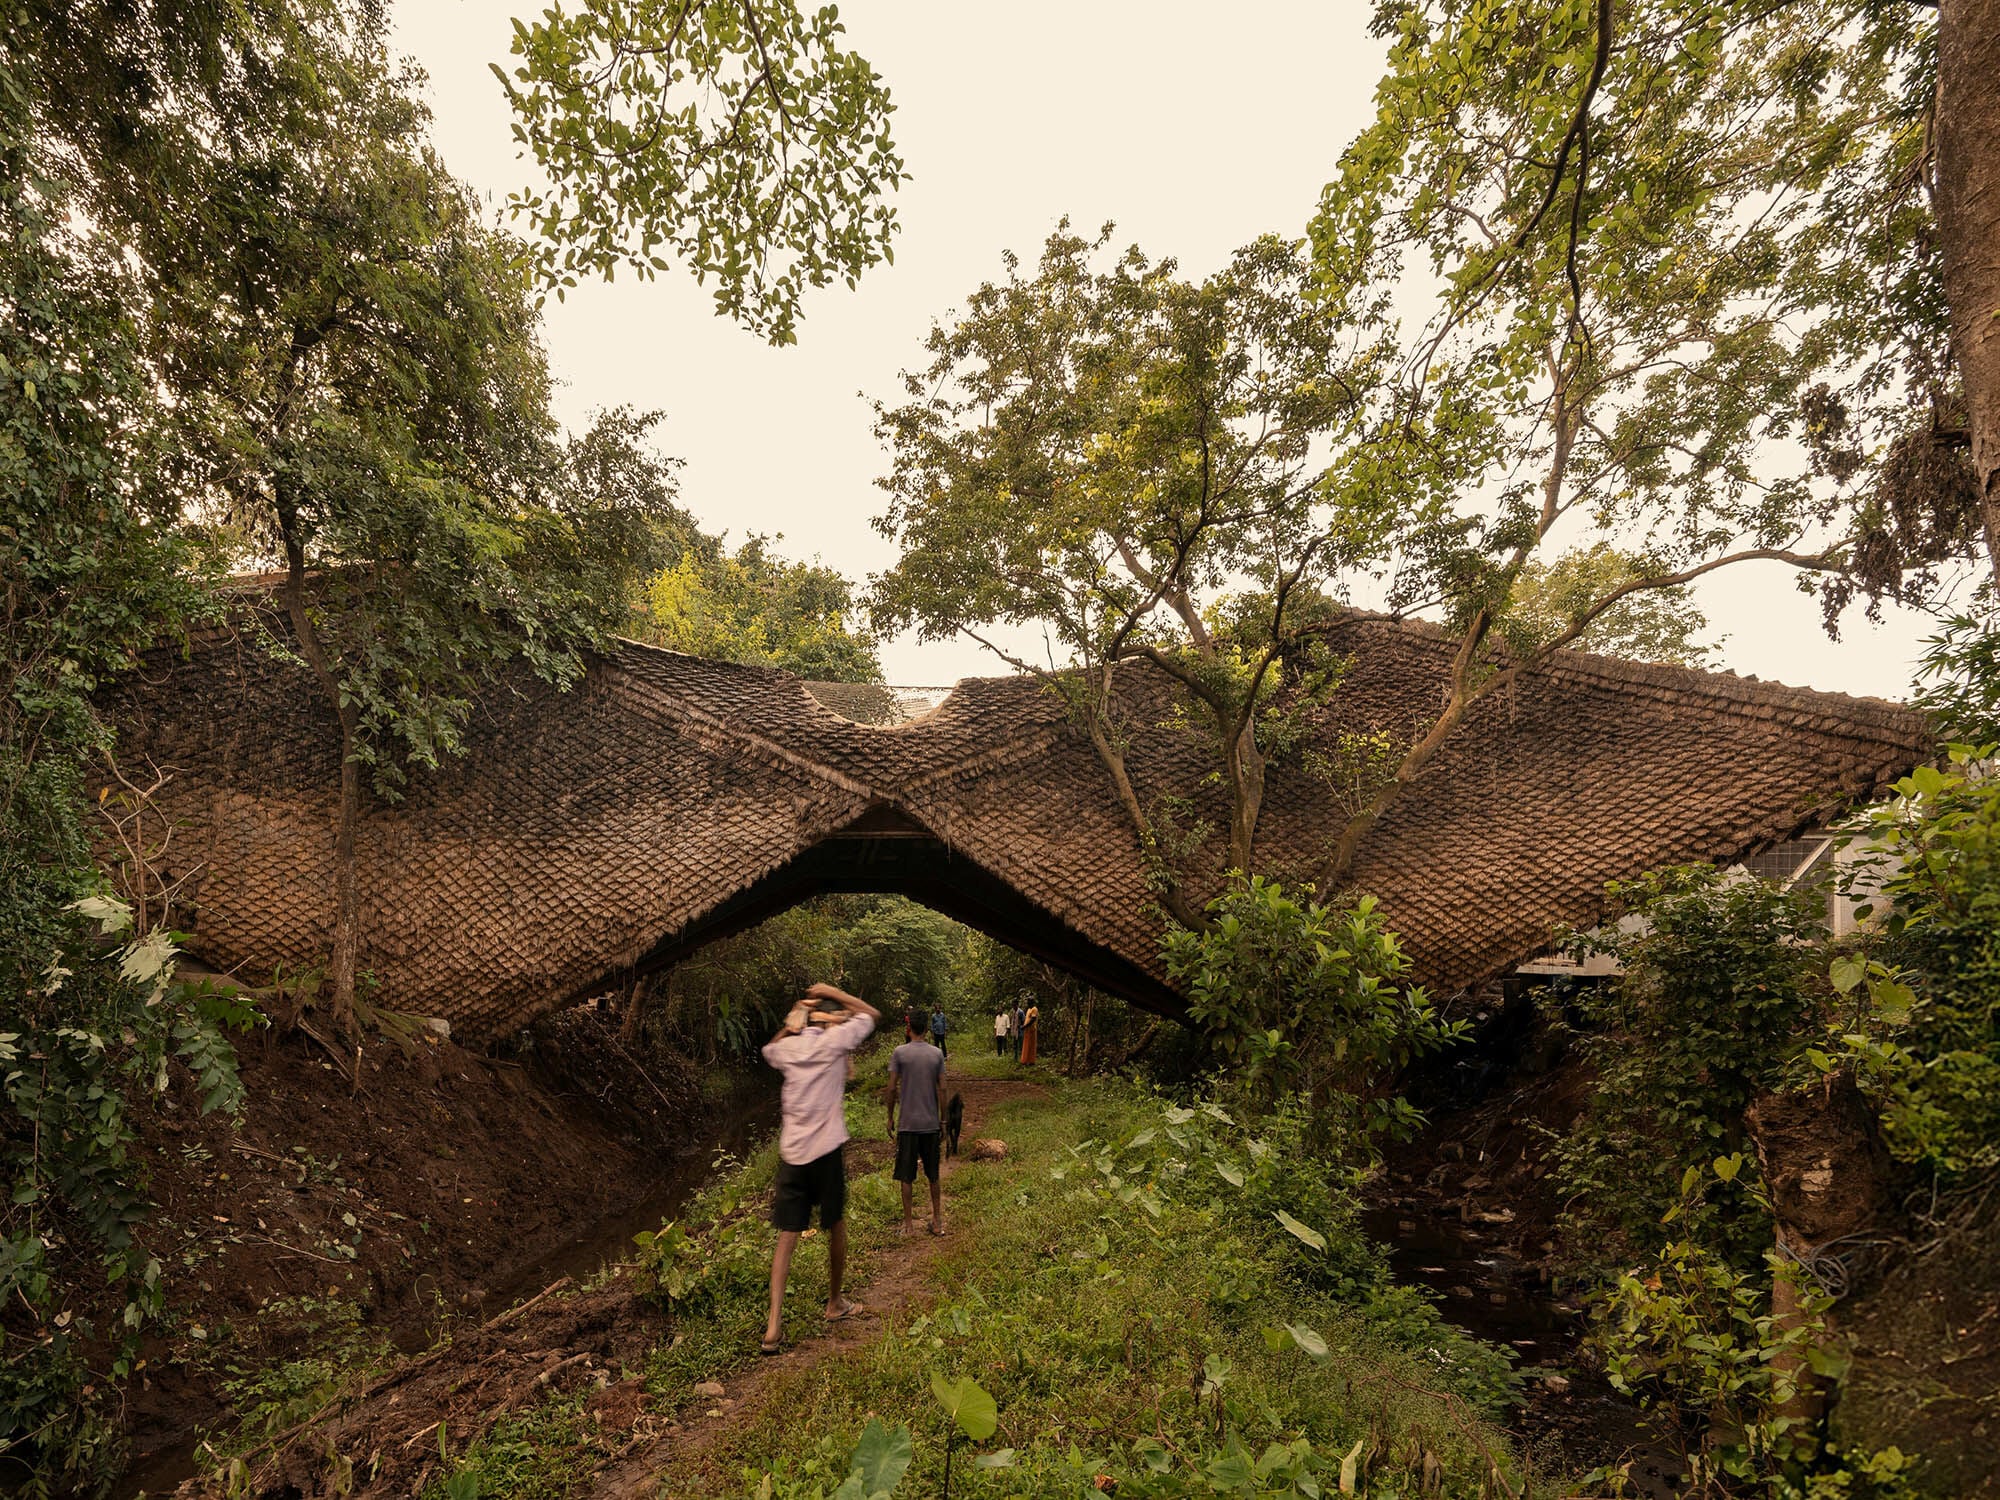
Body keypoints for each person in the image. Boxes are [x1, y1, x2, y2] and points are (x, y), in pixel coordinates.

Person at [759, 981, 879, 1354]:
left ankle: (773, 1325)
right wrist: (835, 993)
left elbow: (769, 1049)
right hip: (826, 1151)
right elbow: (870, 1014)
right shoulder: (835, 1042)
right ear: (830, 1019)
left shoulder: (790, 1049)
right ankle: (834, 1302)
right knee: (835, 1224)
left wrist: (794, 1019)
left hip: (793, 1155)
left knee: (787, 1237)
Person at [887, 1011, 948, 1236]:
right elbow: (943, 1088)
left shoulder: (900, 1053)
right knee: (933, 1174)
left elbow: (891, 1088)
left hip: (907, 1125)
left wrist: (890, 1117)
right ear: (927, 1029)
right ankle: (937, 1221)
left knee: (906, 1176)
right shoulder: (936, 1054)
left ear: (909, 1028)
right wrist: (943, 1120)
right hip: (930, 1123)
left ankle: (909, 1226)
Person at [1020, 1002, 1040, 1066]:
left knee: (1031, 1045)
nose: (1028, 1004)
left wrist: (1025, 1026)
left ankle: (1031, 1061)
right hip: (1027, 1030)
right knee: (1026, 1045)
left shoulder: (1034, 1009)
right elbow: (1027, 1019)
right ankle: (1025, 1060)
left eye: (1029, 1002)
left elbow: (1033, 1019)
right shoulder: (1029, 1009)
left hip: (1031, 1030)